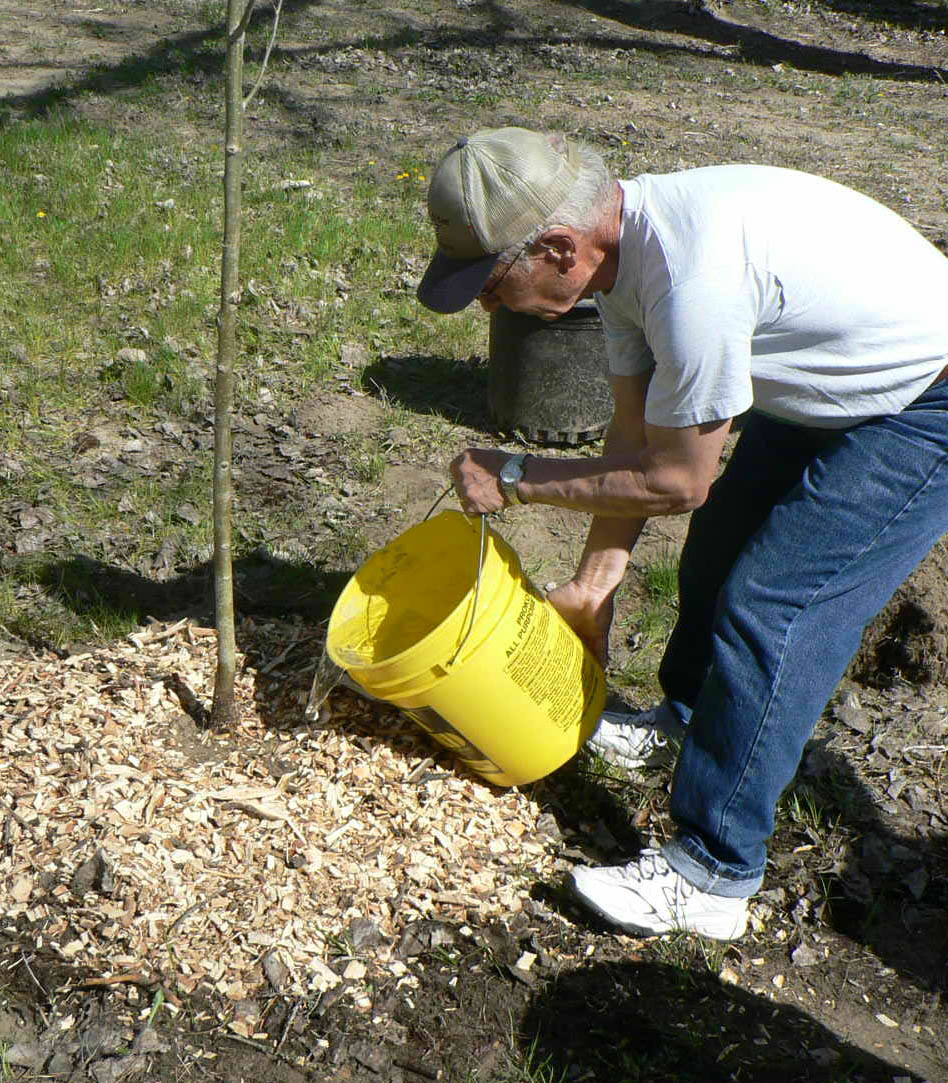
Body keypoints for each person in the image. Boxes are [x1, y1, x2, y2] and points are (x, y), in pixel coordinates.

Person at [415, 126, 948, 942]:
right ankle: (693, 717)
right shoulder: (624, 255)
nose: (487, 307)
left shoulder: (691, 281)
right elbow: (635, 448)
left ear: (557, 248)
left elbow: (677, 481)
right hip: (839, 373)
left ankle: (714, 869)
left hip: (924, 397)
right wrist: (593, 589)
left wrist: (516, 476)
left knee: (775, 604)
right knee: (719, 549)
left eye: (491, 287)